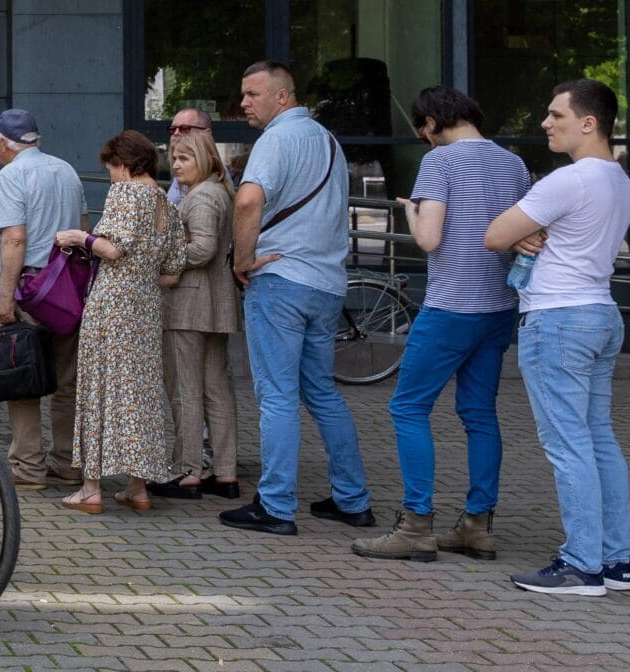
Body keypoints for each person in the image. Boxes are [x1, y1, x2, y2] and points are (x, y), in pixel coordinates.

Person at [351, 86, 529, 562]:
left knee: (408, 408)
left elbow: (429, 240)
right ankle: (477, 525)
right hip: (498, 307)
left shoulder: (441, 163)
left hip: (451, 307)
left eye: (422, 129)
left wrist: (411, 211)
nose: (424, 138)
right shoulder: (512, 164)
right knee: (479, 414)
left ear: (432, 122)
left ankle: (415, 527)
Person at [484, 78, 630, 597]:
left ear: (588, 123)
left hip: (558, 319)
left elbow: (494, 235)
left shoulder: (566, 180)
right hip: (599, 313)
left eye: (556, 116)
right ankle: (615, 561)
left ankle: (581, 564)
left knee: (569, 445)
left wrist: (523, 231)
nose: (546, 123)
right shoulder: (618, 178)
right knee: (598, 440)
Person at [220, 60, 373, 536]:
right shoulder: (327, 141)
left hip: (281, 280)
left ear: (282, 97)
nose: (244, 102)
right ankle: (353, 500)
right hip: (326, 284)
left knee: (278, 396)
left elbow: (247, 201)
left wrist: (241, 260)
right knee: (322, 392)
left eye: (252, 94)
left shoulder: (276, 139)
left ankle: (276, 505)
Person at [53, 131, 185, 514]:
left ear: (125, 165)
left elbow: (112, 248)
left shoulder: (126, 194)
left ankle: (91, 488)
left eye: (111, 168)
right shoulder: (167, 204)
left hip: (111, 307)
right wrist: (139, 277)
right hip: (145, 308)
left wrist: (80, 236)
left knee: (97, 389)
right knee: (138, 395)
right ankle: (138, 487)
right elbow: (173, 271)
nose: (110, 176)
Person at [0, 108, 88, 491]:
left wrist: (5, 296)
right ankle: (67, 463)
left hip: (29, 285)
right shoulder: (66, 170)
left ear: (3, 143)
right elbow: (84, 229)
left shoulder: (12, 175)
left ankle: (28, 467)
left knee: (23, 376)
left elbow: (14, 238)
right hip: (66, 286)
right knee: (68, 381)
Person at [146, 129, 241, 501]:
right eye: (173, 157)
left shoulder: (200, 197)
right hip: (214, 305)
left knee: (185, 390)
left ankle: (187, 471)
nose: (176, 164)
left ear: (203, 159)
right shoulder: (217, 192)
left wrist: (165, 261)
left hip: (188, 306)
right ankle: (226, 472)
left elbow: (202, 248)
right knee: (216, 390)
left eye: (184, 158)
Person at [165, 107, 213, 205]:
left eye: (185, 129)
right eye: (173, 129)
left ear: (206, 133)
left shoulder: (209, 176)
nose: (176, 133)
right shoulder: (182, 171)